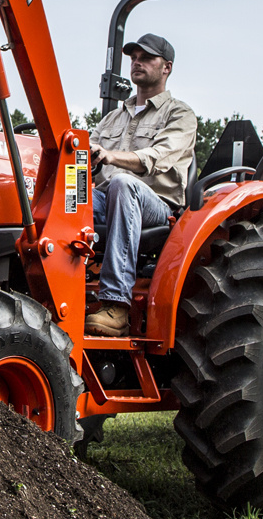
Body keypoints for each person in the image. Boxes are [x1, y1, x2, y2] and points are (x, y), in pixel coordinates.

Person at [85, 33, 198, 336]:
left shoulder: (179, 114)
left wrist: (110, 156)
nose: (137, 62)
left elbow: (157, 158)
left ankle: (116, 304)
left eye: (147, 57)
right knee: (65, 197)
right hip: (109, 199)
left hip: (158, 206)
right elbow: (85, 159)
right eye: (134, 57)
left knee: (124, 184)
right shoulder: (111, 119)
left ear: (166, 67)